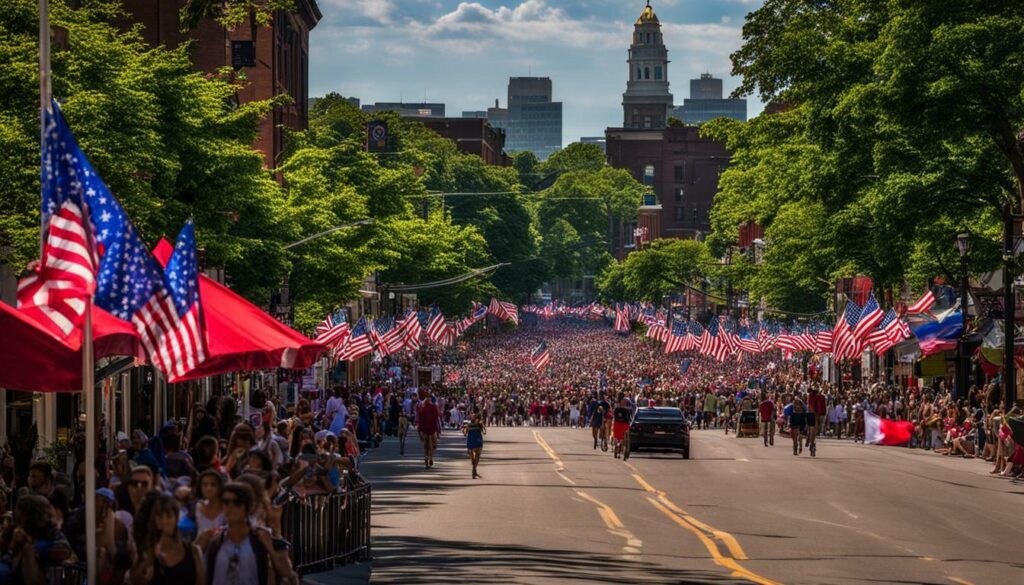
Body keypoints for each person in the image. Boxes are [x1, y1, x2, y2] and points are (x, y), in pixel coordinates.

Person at [203, 482, 297, 585]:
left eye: (237, 502)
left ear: (248, 506)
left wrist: (269, 549)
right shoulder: (215, 541)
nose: (230, 507)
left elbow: (286, 574)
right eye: (226, 502)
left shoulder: (261, 538)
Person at [130, 492, 205, 585]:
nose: (164, 521)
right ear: (155, 520)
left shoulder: (193, 551)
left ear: (176, 518)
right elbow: (134, 579)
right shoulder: (148, 550)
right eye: (160, 517)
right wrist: (149, 561)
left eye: (169, 516)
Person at [417, 394, 442, 469]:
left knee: (425, 446)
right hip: (432, 430)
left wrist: (420, 429)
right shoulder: (434, 407)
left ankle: (426, 458)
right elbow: (437, 417)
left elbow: (420, 418)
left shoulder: (423, 408)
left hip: (424, 430)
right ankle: (430, 457)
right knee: (433, 445)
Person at [463, 413, 486, 479]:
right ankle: (474, 471)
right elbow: (484, 431)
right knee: (477, 456)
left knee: (473, 458)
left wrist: (465, 429)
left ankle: (474, 471)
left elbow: (465, 433)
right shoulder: (479, 424)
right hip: (477, 441)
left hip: (471, 442)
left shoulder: (468, 424)